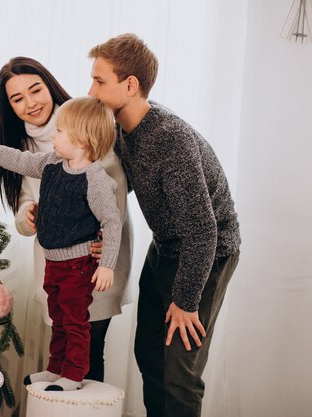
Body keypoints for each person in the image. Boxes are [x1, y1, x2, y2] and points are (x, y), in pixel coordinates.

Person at [87, 33, 241, 416]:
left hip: (207, 251)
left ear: (130, 85)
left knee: (178, 373)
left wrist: (187, 300)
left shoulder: (170, 139)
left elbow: (204, 231)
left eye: (99, 81)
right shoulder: (121, 129)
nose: (91, 90)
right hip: (166, 246)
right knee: (150, 356)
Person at [0, 57, 132, 383]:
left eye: (35, 90)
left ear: (49, 86)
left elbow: (114, 197)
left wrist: (105, 248)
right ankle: (59, 381)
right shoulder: (21, 146)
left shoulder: (86, 123)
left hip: (94, 257)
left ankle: (81, 397)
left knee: (90, 341)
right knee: (64, 328)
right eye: (17, 98)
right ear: (8, 106)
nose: (30, 103)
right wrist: (27, 216)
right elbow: (22, 206)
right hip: (55, 260)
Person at [0, 96, 122, 391]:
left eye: (60, 131)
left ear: (83, 139)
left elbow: (112, 222)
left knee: (74, 321)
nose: (54, 136)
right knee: (58, 317)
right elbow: (18, 160)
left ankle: (74, 373)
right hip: (53, 262)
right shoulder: (51, 162)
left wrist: (107, 265)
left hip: (77, 266)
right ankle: (56, 368)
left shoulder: (95, 180)